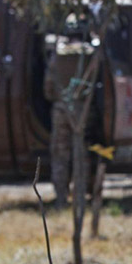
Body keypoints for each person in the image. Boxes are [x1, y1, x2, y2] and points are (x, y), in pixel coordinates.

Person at [43, 16, 95, 208]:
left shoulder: (58, 55)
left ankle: (61, 199)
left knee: (60, 154)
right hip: (82, 109)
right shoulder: (90, 54)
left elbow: (48, 88)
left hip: (60, 108)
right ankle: (80, 198)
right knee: (81, 155)